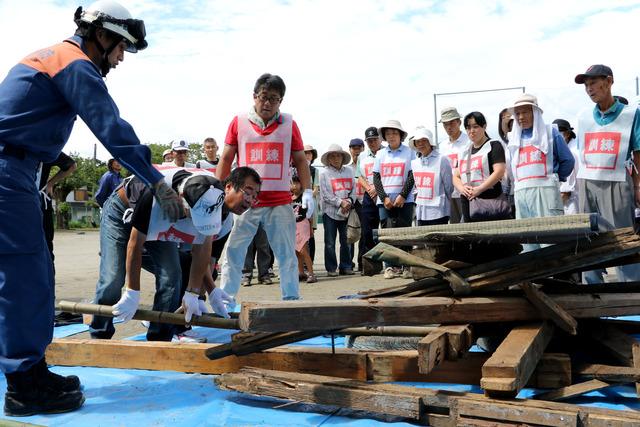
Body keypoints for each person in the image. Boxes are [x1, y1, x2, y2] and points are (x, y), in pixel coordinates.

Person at [0, 0, 183, 416]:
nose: (119, 59)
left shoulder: (49, 57)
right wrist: (157, 180)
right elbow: (110, 128)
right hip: (8, 174)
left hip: (17, 172)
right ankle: (24, 385)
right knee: (24, 278)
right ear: (101, 35)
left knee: (27, 275)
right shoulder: (75, 63)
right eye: (120, 48)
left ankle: (29, 370)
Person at [90, 167, 260, 342]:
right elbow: (134, 245)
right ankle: (99, 336)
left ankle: (159, 339)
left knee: (172, 275)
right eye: (248, 192)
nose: (251, 200)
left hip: (168, 216)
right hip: (123, 210)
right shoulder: (155, 197)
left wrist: (196, 293)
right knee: (113, 278)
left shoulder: (212, 199)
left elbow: (201, 252)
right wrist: (133, 292)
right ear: (182, 201)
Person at [216, 73, 313, 300]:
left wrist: (307, 190)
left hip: (279, 202)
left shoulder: (289, 124)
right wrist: (218, 190)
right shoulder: (239, 122)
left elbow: (300, 160)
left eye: (274, 98)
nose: (267, 102)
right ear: (254, 96)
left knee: (287, 254)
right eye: (263, 97)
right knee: (234, 252)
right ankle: (226, 300)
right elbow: (226, 158)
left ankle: (290, 299)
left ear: (281, 101)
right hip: (244, 203)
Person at [574, 64, 640, 283]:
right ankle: (592, 292)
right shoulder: (584, 117)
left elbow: (638, 153)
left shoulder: (631, 114)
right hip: (586, 182)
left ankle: (630, 296)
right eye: (586, 85)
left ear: (609, 81)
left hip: (617, 182)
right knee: (587, 237)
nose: (589, 89)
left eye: (593, 83)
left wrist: (639, 186)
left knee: (622, 239)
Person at [507, 94, 574, 242]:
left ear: (535, 113)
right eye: (517, 113)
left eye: (525, 112)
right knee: (527, 241)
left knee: (551, 239)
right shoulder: (513, 139)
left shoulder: (550, 132)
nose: (521, 117)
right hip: (521, 195)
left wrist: (555, 178)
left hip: (546, 193)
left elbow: (568, 161)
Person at [372, 120, 415, 279]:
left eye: (394, 133)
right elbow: (376, 177)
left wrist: (403, 195)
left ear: (400, 135)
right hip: (385, 202)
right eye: (388, 133)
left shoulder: (409, 152)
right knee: (387, 234)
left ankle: (406, 265)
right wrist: (384, 198)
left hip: (405, 199)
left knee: (405, 233)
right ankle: (389, 266)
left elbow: (412, 175)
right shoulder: (380, 154)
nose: (391, 136)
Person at [453, 112, 509, 223]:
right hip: (468, 203)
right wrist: (462, 189)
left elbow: (499, 171)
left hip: (491, 202)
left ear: (484, 126)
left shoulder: (494, 145)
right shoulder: (464, 151)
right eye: (468, 128)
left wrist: (479, 189)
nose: (471, 131)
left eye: (475, 127)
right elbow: (456, 176)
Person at [37, 153, 77, 274]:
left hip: (37, 201)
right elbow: (71, 165)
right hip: (31, 201)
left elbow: (71, 165)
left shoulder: (43, 144)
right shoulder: (44, 144)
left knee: (45, 248)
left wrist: (50, 183)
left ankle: (47, 287)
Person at [320, 144, 355, 276]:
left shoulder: (349, 171)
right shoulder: (324, 173)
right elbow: (325, 195)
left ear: (342, 157)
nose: (335, 158)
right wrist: (341, 203)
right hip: (330, 212)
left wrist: (350, 201)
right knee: (329, 242)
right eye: (332, 156)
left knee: (346, 240)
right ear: (328, 159)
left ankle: (346, 266)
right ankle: (331, 268)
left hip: (346, 212)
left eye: (338, 155)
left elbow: (353, 190)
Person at [408, 127, 453, 225]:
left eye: (424, 140)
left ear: (430, 142)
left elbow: (449, 187)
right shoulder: (414, 163)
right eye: (417, 141)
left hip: (439, 211)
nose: (420, 144)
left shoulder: (442, 159)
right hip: (421, 212)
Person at [357, 126, 383, 274]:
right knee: (367, 231)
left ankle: (389, 264)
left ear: (380, 139)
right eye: (369, 140)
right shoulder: (362, 156)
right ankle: (370, 265)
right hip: (369, 195)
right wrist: (369, 188)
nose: (372, 143)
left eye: (374, 139)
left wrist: (377, 189)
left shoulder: (386, 153)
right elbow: (359, 176)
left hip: (384, 194)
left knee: (385, 230)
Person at [438, 107, 469, 223]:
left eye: (452, 123)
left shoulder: (468, 142)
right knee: (453, 228)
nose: (448, 127)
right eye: (445, 124)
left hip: (465, 191)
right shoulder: (441, 146)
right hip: (448, 194)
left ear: (459, 122)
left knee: (468, 227)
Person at [291, 175, 317, 283]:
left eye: (297, 183)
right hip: (292, 226)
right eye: (292, 183)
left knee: (304, 251)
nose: (294, 186)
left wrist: (311, 229)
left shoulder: (304, 197)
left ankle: (311, 273)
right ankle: (300, 272)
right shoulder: (288, 198)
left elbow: (309, 215)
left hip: (303, 224)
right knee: (296, 251)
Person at [553, 119, 580, 214]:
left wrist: (552, 207)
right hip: (563, 204)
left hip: (570, 206)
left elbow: (566, 192)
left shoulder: (569, 154)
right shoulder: (559, 153)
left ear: (567, 134)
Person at [348, 138, 365, 271]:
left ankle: (362, 262)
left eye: (359, 147)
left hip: (365, 201)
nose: (357, 150)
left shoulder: (367, 165)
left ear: (363, 149)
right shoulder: (347, 168)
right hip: (352, 203)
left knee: (365, 234)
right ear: (350, 150)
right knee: (350, 233)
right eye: (354, 148)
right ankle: (348, 262)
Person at [303, 144, 320, 262]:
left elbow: (316, 188)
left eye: (309, 153)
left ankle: (310, 262)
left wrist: (306, 194)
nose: (307, 155)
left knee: (310, 234)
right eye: (304, 153)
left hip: (311, 205)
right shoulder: (294, 168)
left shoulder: (314, 171)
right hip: (298, 205)